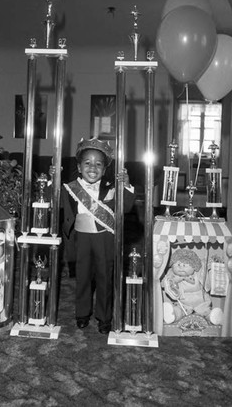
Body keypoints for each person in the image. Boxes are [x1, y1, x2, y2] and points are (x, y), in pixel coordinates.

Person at [61, 137, 135, 334]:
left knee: (105, 279)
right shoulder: (70, 187)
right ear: (79, 167)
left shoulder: (112, 187)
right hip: (81, 239)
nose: (92, 168)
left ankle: (104, 317)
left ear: (104, 169)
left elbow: (126, 207)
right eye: (87, 163)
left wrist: (126, 185)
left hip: (105, 239)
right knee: (83, 279)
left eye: (98, 164)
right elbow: (55, 201)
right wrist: (52, 179)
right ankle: (82, 314)